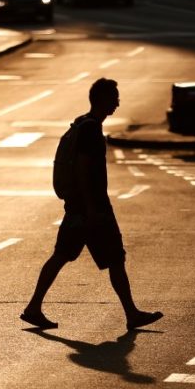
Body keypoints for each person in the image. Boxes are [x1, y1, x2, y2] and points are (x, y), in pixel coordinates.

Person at [21, 78, 163, 332]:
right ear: (102, 99)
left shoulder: (84, 124)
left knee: (63, 255)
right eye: (114, 97)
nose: (118, 103)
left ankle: (34, 307)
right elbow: (85, 171)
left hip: (80, 208)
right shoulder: (90, 130)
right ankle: (131, 314)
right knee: (114, 258)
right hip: (92, 209)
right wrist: (91, 209)